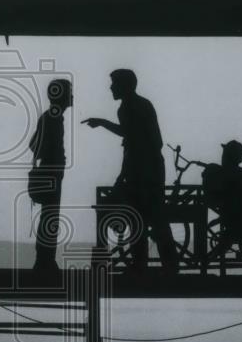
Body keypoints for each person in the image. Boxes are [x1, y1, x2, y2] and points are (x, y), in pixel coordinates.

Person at [82, 69, 177, 274]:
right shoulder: (142, 104)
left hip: (141, 172)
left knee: (138, 220)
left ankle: (141, 265)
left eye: (114, 83)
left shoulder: (127, 108)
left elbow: (131, 137)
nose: (110, 87)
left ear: (124, 85)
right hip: (152, 169)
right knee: (154, 219)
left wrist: (102, 123)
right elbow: (144, 140)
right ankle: (170, 265)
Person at [200, 140, 242, 277]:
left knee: (230, 237)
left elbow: (211, 195)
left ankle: (205, 264)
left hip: (235, 217)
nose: (223, 156)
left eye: (225, 153)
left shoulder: (222, 173)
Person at [28, 79, 73, 275]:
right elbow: (36, 145)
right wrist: (54, 156)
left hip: (50, 170)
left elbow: (33, 144)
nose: (72, 96)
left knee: (49, 216)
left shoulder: (50, 116)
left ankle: (44, 260)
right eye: (70, 92)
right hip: (51, 172)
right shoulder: (54, 117)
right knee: (50, 217)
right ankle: (45, 261)